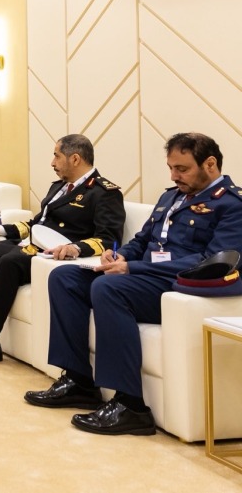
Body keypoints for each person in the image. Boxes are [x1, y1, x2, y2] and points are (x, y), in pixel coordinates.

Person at [24, 133, 242, 435]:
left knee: (108, 288)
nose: (174, 176)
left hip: (176, 286)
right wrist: (119, 255)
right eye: (171, 168)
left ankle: (130, 406)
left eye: (182, 169)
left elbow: (211, 261)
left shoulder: (231, 205)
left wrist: (132, 267)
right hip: (141, 276)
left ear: (210, 164)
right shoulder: (171, 197)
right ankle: (78, 382)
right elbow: (142, 240)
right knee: (65, 277)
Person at [0, 134, 125, 366]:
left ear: (75, 159)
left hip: (53, 256)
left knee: (11, 261)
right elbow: (37, 223)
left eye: (57, 156)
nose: (52, 163)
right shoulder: (59, 187)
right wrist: (0, 229)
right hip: (30, 247)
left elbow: (108, 239)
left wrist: (74, 248)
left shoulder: (104, 192)